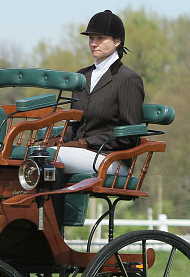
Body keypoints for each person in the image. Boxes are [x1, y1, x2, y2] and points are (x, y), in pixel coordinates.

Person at [57, 10, 145, 176]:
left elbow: (130, 134)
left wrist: (86, 143)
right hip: (79, 153)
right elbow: (74, 124)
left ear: (117, 41)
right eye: (91, 38)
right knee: (37, 153)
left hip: (111, 158)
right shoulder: (81, 76)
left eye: (100, 38)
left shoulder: (128, 79)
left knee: (51, 158)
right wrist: (59, 141)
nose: (93, 43)